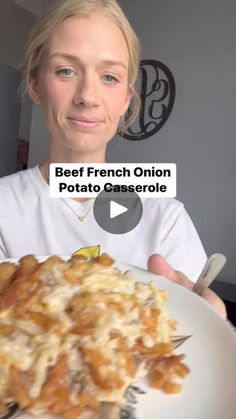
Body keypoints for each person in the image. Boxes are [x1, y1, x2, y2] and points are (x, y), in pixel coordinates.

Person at [0, 0, 226, 317]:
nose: (88, 97)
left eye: (109, 77)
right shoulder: (4, 207)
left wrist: (207, 323)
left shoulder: (166, 219)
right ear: (36, 84)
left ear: (125, 100)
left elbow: (190, 338)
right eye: (66, 71)